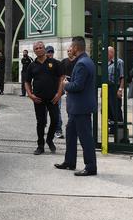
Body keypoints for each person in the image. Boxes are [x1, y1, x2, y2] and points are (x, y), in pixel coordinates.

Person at [55, 36, 97, 176]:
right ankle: (69, 162)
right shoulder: (86, 61)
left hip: (80, 109)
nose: (70, 49)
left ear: (76, 48)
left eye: (71, 47)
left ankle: (90, 167)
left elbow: (78, 86)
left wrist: (66, 84)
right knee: (71, 135)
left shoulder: (82, 64)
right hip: (77, 109)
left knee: (85, 138)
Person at [24, 41, 62, 155]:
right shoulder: (32, 65)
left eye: (41, 47)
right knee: (41, 122)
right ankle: (40, 145)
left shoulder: (54, 63)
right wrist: (30, 95)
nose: (39, 49)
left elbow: (61, 78)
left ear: (44, 49)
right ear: (34, 51)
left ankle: (49, 140)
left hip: (53, 98)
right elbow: (26, 82)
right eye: (36, 48)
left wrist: (59, 94)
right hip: (38, 99)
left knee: (55, 120)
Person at [45, 46, 64, 139]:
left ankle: (58, 130)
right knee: (43, 112)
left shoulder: (58, 64)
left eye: (51, 52)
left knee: (57, 112)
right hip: (44, 93)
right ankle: (43, 127)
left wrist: (59, 92)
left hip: (56, 93)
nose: (50, 53)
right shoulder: (42, 64)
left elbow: (62, 78)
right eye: (48, 52)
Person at [107, 46, 124, 128]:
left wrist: (120, 89)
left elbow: (122, 77)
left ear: (112, 52)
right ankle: (112, 128)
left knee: (116, 108)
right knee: (108, 109)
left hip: (115, 87)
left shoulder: (119, 62)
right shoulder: (106, 62)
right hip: (107, 87)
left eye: (108, 52)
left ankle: (120, 128)